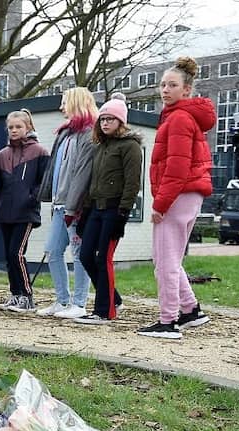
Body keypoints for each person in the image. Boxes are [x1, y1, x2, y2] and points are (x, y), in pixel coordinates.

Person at [137, 57, 215, 339]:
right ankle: (191, 310)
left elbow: (177, 167)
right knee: (167, 258)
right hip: (187, 195)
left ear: (187, 90)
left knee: (166, 261)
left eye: (172, 85)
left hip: (178, 195)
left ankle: (168, 321)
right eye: (162, 84)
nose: (165, 90)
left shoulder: (180, 118)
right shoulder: (180, 116)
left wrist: (160, 204)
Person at [73, 94, 141, 325]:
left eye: (111, 119)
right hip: (95, 210)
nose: (105, 123)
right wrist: (85, 212)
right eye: (102, 119)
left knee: (104, 259)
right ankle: (114, 298)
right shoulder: (100, 146)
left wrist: (122, 214)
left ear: (120, 121)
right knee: (85, 256)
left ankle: (104, 311)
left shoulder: (130, 146)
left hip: (114, 211)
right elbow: (94, 182)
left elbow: (132, 183)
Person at [36, 87, 97, 319]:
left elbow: (82, 173)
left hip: (76, 206)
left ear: (76, 103)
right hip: (60, 204)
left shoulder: (88, 134)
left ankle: (79, 303)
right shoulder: (65, 134)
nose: (61, 107)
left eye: (65, 102)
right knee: (52, 250)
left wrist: (75, 205)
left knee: (79, 253)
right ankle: (62, 300)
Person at [0, 109, 49, 313]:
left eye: (19, 127)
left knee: (17, 253)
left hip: (25, 212)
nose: (14, 130)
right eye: (11, 127)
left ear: (29, 128)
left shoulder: (40, 152)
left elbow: (43, 182)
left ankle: (27, 295)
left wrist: (31, 198)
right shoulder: (2, 155)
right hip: (6, 212)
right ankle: (15, 294)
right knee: (9, 255)